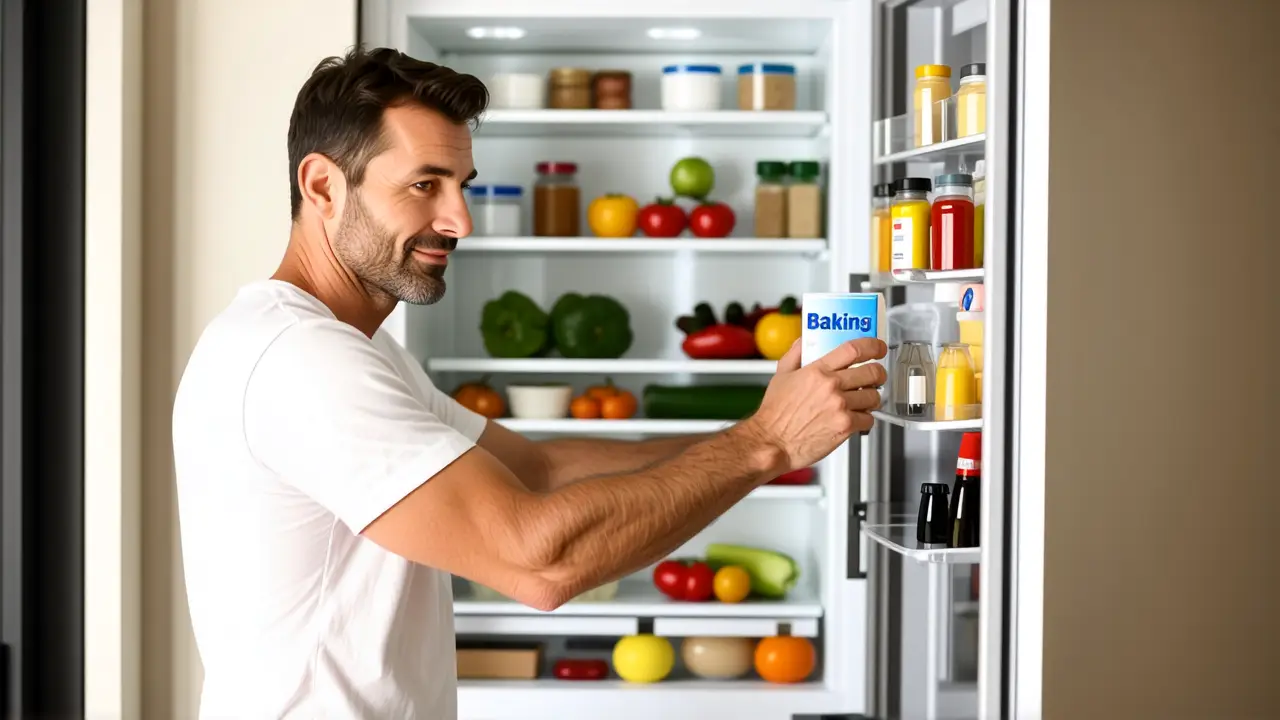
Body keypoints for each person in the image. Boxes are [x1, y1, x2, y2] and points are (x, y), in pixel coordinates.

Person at [171, 46, 887, 719]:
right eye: (425, 185)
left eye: (460, 186)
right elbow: (538, 562)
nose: (459, 220)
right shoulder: (302, 358)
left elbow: (538, 468)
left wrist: (761, 430)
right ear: (323, 186)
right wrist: (765, 446)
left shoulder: (351, 350)